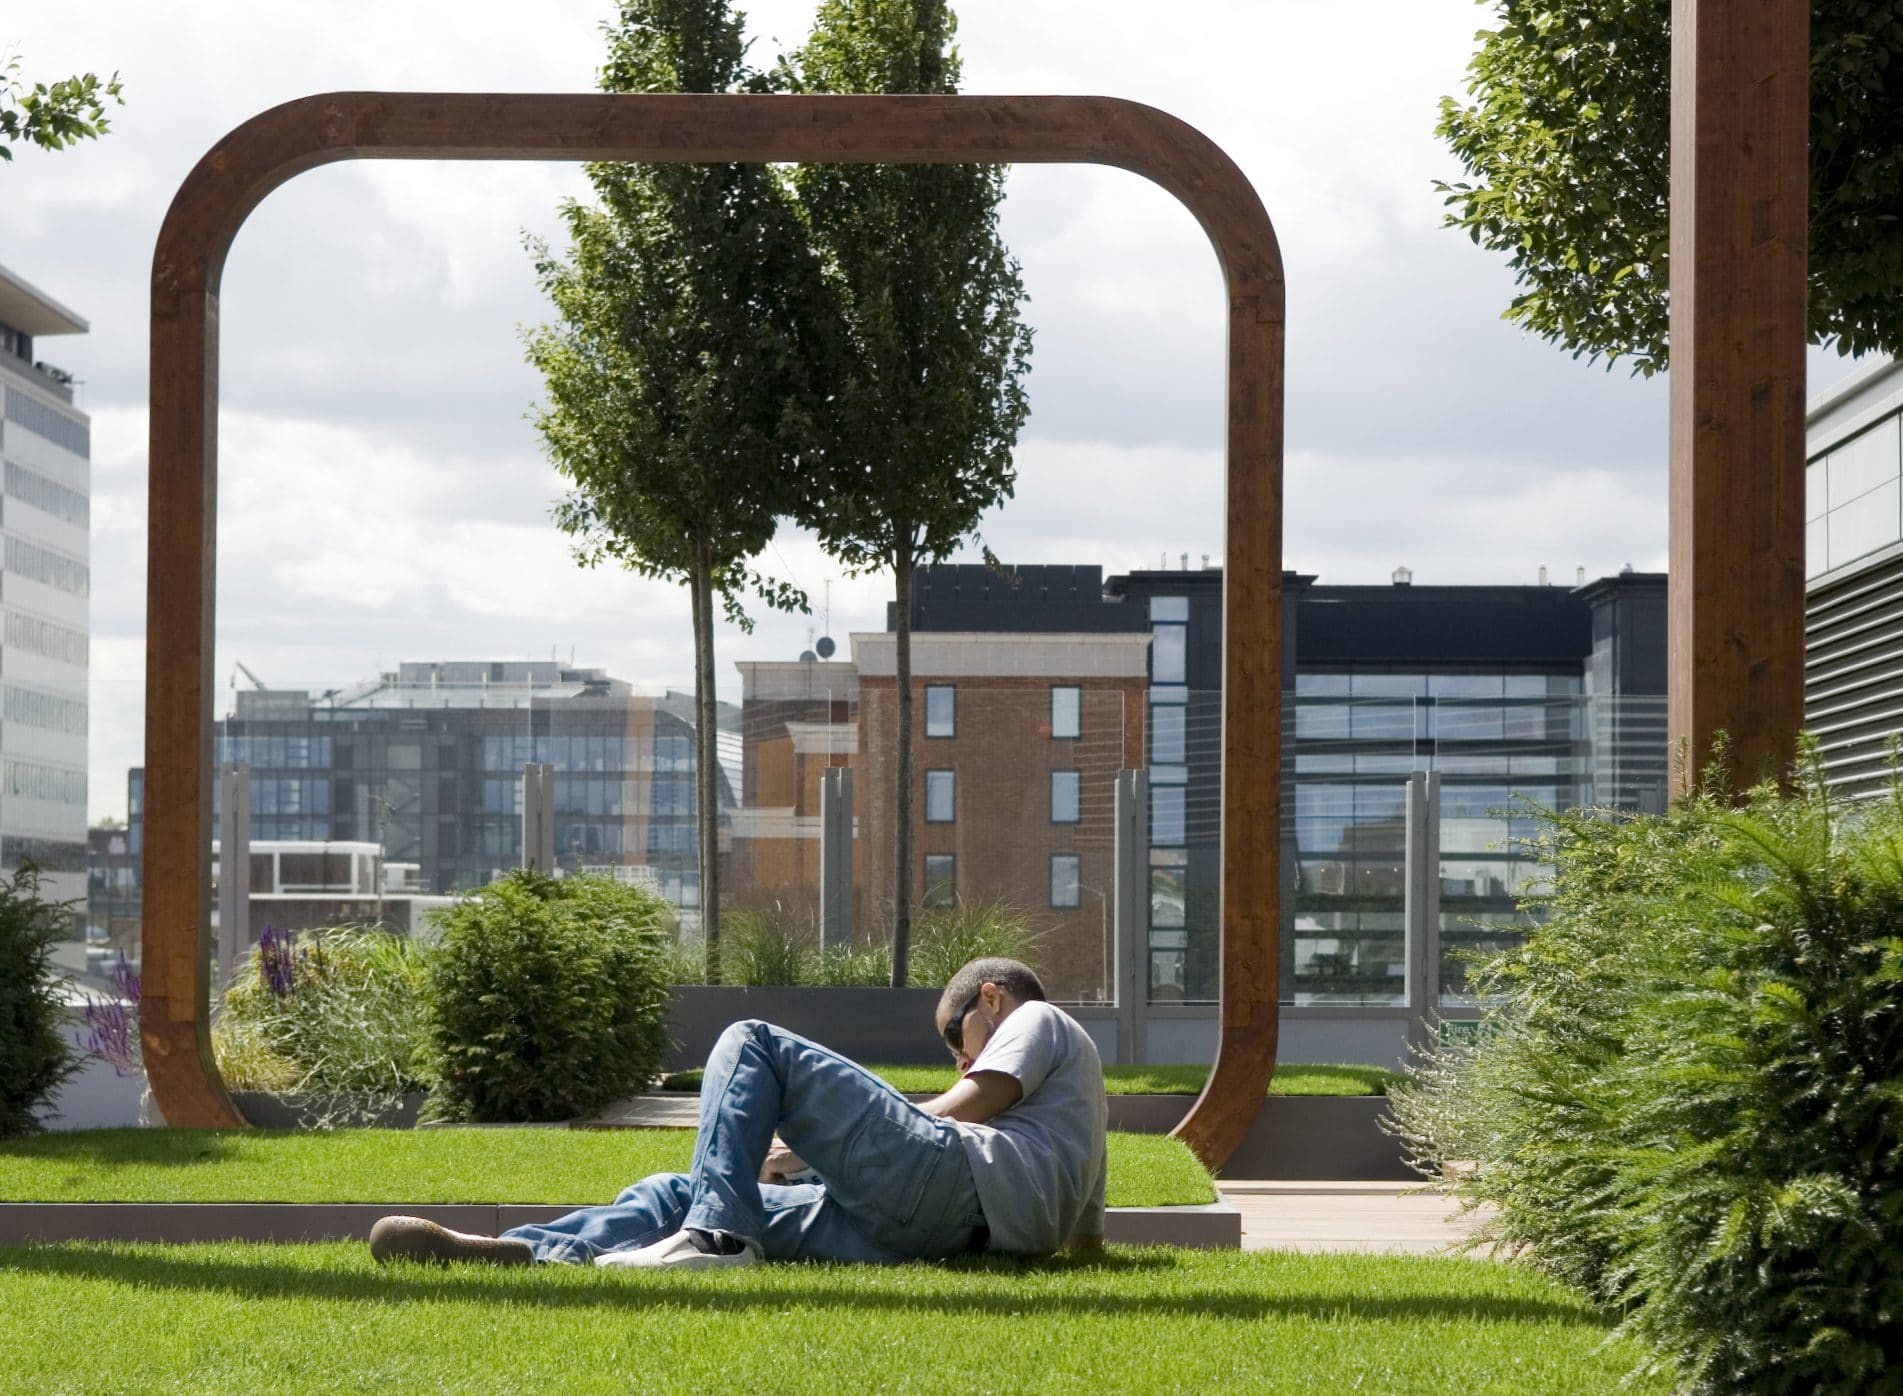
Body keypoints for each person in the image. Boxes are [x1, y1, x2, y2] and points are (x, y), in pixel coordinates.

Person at [368, 956, 1108, 1269]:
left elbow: (969, 1105)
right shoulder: (1075, 1116)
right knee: (676, 1190)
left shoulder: (1039, 1018)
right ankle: (520, 1252)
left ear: (990, 1000)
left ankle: (717, 1240)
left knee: (753, 1040)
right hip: (935, 1236)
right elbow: (1083, 1240)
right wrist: (804, 1160)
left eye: (958, 1041)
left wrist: (818, 1146)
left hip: (946, 1188)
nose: (961, 1058)